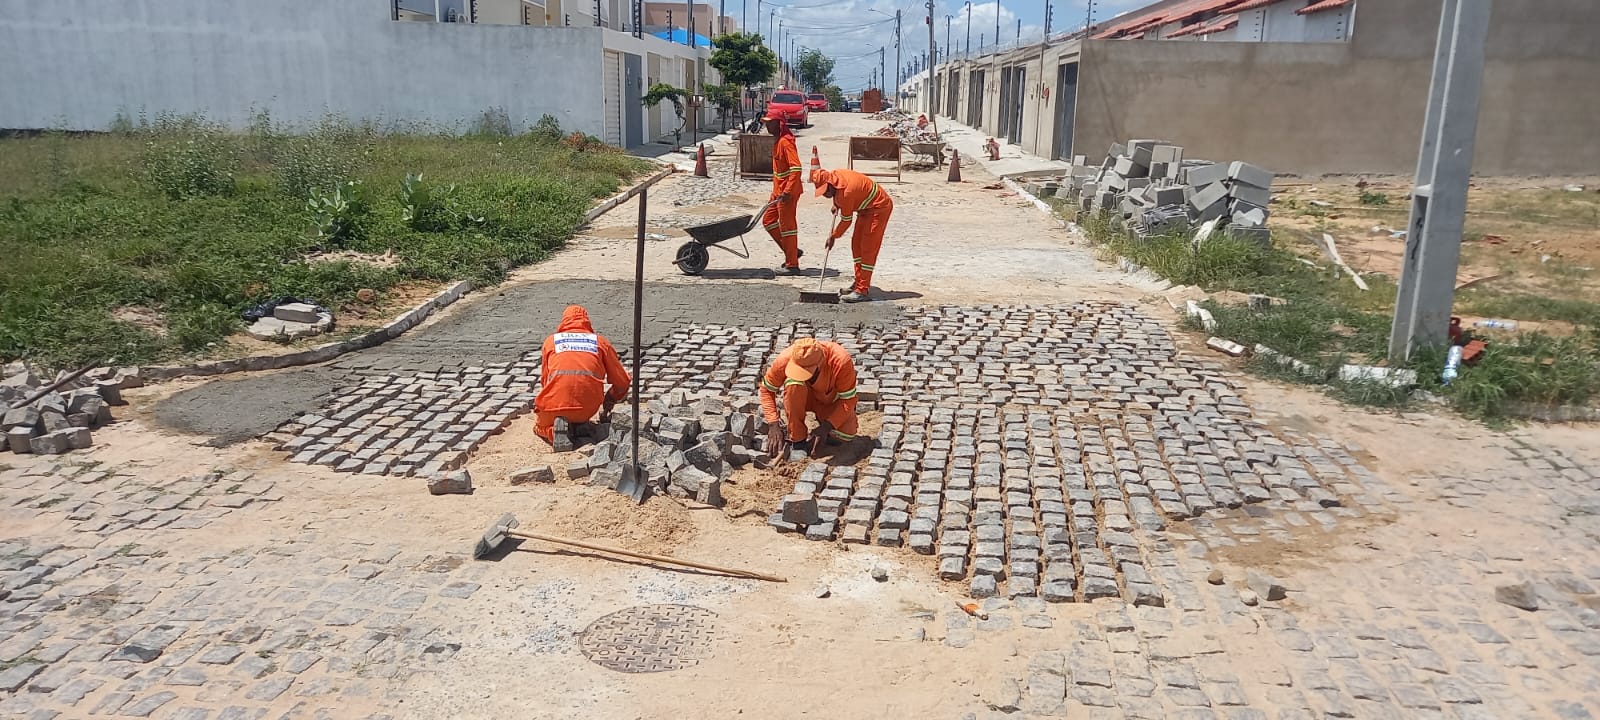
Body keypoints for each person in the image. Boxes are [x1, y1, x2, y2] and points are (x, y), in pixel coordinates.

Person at [534, 305, 630, 451]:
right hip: (587, 407)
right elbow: (622, 382)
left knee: (539, 426)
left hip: (554, 407)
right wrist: (610, 398)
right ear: (587, 322)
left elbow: (545, 381)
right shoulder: (600, 342)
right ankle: (578, 426)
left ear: (564, 321)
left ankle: (554, 432)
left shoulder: (551, 341)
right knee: (578, 416)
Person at [758, 337, 859, 458]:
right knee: (793, 384)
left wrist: (826, 427)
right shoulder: (785, 359)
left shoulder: (840, 361)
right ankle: (798, 440)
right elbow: (766, 390)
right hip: (801, 398)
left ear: (820, 364)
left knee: (845, 434)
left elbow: (848, 400)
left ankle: (823, 424)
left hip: (828, 401)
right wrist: (773, 425)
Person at [811, 167, 894, 303]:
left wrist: (833, 236)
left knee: (867, 248)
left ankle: (862, 290)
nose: (825, 194)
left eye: (825, 191)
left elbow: (846, 221)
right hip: (865, 209)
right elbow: (838, 194)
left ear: (831, 184)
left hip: (879, 208)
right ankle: (858, 282)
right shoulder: (837, 179)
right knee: (856, 244)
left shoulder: (846, 193)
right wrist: (836, 203)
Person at [760, 114, 803, 274]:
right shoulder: (778, 140)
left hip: (787, 193)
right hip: (778, 191)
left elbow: (796, 168)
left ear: (779, 124)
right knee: (768, 220)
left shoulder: (786, 142)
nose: (767, 127)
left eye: (770, 124)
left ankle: (792, 264)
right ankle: (791, 250)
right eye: (766, 124)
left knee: (787, 227)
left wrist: (787, 191)